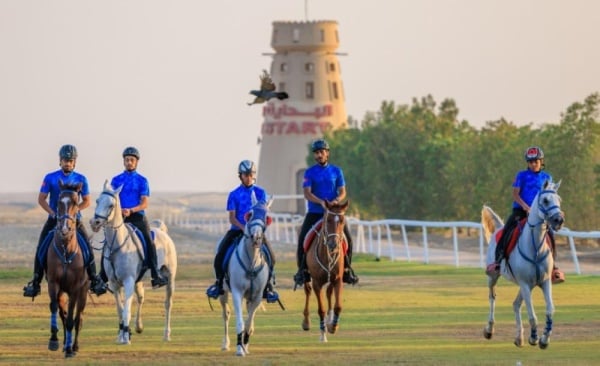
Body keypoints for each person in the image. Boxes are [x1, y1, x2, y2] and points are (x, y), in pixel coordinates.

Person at [23, 144, 107, 298]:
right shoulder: (50, 178)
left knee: (87, 248)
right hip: (54, 219)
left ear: (74, 162)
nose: (67, 163)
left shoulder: (81, 179)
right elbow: (41, 199)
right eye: (64, 160)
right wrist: (53, 213)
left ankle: (94, 280)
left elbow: (87, 201)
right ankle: (35, 282)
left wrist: (73, 213)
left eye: (70, 160)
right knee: (41, 247)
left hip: (75, 221)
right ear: (59, 161)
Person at [486, 146, 565, 283]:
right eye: (530, 162)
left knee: (550, 235)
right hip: (520, 211)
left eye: (536, 161)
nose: (533, 164)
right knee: (507, 231)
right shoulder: (521, 175)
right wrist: (525, 207)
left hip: (539, 214)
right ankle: (498, 262)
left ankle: (553, 268)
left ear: (541, 161)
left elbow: (550, 196)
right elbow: (515, 194)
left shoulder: (547, 177)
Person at [206, 160, 279, 303]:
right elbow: (232, 218)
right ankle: (219, 283)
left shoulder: (261, 193)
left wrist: (257, 228)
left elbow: (263, 213)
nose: (248, 177)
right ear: (240, 176)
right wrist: (244, 228)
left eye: (251, 174)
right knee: (220, 255)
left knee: (271, 256)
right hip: (237, 230)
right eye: (245, 174)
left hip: (257, 232)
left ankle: (268, 286)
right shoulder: (234, 194)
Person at [100, 146, 168, 289]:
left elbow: (144, 203)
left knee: (149, 241)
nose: (129, 162)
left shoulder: (142, 180)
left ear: (137, 162)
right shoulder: (116, 179)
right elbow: (111, 198)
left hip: (137, 218)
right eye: (127, 160)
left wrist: (131, 210)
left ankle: (155, 274)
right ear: (123, 161)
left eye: (132, 160)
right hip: (119, 219)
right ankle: (102, 277)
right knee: (108, 242)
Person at [293, 138, 359, 288]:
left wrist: (336, 200)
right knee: (303, 239)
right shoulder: (309, 172)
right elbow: (307, 193)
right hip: (315, 212)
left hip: (334, 213)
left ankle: (347, 270)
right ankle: (302, 271)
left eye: (321, 152)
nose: (319, 155)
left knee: (348, 239)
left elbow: (343, 192)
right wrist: (321, 202)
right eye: (316, 153)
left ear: (327, 153)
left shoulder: (337, 171)